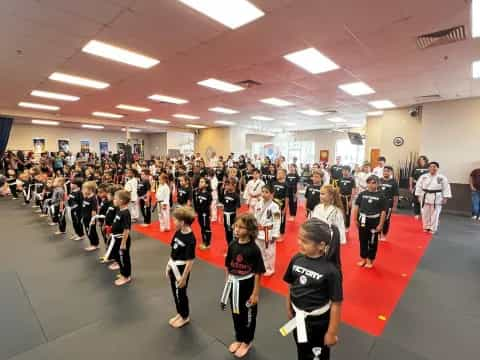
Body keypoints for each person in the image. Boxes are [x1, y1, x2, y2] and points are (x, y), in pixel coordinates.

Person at [281, 218, 343, 360]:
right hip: (298, 317)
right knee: (302, 349)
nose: (299, 243)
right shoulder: (296, 259)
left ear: (321, 245)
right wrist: (289, 307)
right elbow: (291, 284)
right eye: (299, 239)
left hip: (319, 323)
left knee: (317, 355)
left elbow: (336, 303)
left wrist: (331, 332)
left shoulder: (331, 270)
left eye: (304, 241)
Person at [221, 213, 265, 358]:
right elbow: (227, 265)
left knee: (248, 316)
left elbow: (258, 272)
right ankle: (239, 338)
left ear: (250, 230)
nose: (236, 230)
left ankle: (247, 341)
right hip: (234, 284)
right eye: (236, 226)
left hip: (247, 285)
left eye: (241, 227)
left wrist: (255, 293)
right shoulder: (233, 245)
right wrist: (227, 283)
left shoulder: (254, 249)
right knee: (236, 313)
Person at [166, 207, 196, 328]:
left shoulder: (190, 239)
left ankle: (185, 316)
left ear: (182, 222)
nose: (173, 222)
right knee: (175, 292)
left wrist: (184, 278)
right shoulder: (178, 232)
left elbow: (190, 261)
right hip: (173, 265)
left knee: (181, 293)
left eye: (175, 220)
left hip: (182, 269)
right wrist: (168, 265)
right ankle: (180, 312)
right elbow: (173, 250)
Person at [351, 175, 386, 269]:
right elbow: (356, 206)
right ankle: (363, 258)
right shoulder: (362, 194)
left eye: (374, 182)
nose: (371, 184)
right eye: (369, 182)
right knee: (362, 239)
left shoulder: (381, 196)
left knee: (372, 241)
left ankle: (370, 259)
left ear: (378, 184)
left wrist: (381, 224)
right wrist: (354, 219)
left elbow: (383, 211)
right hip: (362, 219)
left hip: (374, 220)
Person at [415, 162, 452, 234]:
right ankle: (426, 227)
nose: (433, 168)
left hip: (437, 197)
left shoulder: (442, 178)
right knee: (425, 213)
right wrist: (418, 195)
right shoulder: (423, 177)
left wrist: (445, 198)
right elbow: (418, 186)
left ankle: (433, 228)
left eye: (434, 167)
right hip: (425, 196)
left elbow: (446, 188)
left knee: (435, 214)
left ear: (437, 168)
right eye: (431, 167)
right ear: (428, 168)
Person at [254, 184, 281, 276]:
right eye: (263, 191)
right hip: (258, 231)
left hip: (268, 232)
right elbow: (255, 216)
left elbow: (277, 221)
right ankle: (263, 266)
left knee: (269, 251)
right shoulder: (258, 203)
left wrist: (275, 234)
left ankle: (270, 268)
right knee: (260, 250)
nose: (264, 194)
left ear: (272, 194)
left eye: (266, 192)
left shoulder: (275, 206)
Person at [111, 190, 132, 286]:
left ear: (122, 201)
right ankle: (123, 273)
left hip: (122, 239)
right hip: (116, 238)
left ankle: (126, 276)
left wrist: (123, 243)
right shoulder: (119, 211)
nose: (113, 200)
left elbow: (126, 230)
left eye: (115, 199)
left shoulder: (126, 213)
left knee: (124, 258)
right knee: (119, 257)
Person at [379, 166, 399, 241]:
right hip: (379, 202)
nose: (385, 172)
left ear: (391, 172)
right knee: (378, 218)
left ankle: (384, 234)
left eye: (387, 171)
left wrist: (394, 206)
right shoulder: (379, 180)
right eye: (384, 171)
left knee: (386, 219)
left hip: (388, 203)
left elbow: (396, 195)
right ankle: (378, 233)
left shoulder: (394, 182)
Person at [194, 177, 212, 250]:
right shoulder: (198, 192)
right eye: (200, 182)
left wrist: (210, 215)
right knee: (202, 228)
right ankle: (204, 241)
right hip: (200, 213)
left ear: (207, 184)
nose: (200, 183)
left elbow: (209, 205)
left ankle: (207, 243)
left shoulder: (208, 194)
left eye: (202, 182)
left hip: (205, 214)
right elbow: (197, 203)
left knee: (206, 227)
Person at [81, 181, 100, 252]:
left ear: (90, 190)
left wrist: (93, 220)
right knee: (88, 231)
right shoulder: (86, 197)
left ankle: (94, 244)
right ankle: (94, 243)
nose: (82, 190)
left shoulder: (93, 199)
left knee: (91, 231)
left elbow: (94, 211)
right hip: (85, 217)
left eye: (84, 189)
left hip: (90, 219)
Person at [223, 177, 241, 247]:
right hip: (225, 214)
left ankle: (235, 246)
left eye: (228, 184)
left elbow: (238, 208)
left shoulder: (236, 196)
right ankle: (229, 246)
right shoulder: (225, 193)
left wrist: (237, 219)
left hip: (232, 215)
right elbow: (224, 203)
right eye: (226, 184)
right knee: (227, 231)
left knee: (233, 231)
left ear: (234, 185)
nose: (226, 186)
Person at [337, 166, 356, 231]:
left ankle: (347, 227)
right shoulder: (340, 179)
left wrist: (351, 200)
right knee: (340, 212)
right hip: (341, 197)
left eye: (346, 171)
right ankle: (340, 224)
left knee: (347, 213)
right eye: (344, 171)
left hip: (348, 198)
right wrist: (338, 197)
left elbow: (353, 190)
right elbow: (338, 189)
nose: (345, 172)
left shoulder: (352, 180)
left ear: (349, 171)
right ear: (342, 171)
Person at [273, 168, 288, 237]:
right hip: (273, 203)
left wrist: (285, 207)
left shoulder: (286, 185)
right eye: (277, 173)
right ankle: (275, 231)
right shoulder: (274, 183)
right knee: (275, 217)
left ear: (284, 175)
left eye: (280, 173)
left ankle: (281, 233)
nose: (277, 174)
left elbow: (287, 197)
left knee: (281, 218)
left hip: (282, 204)